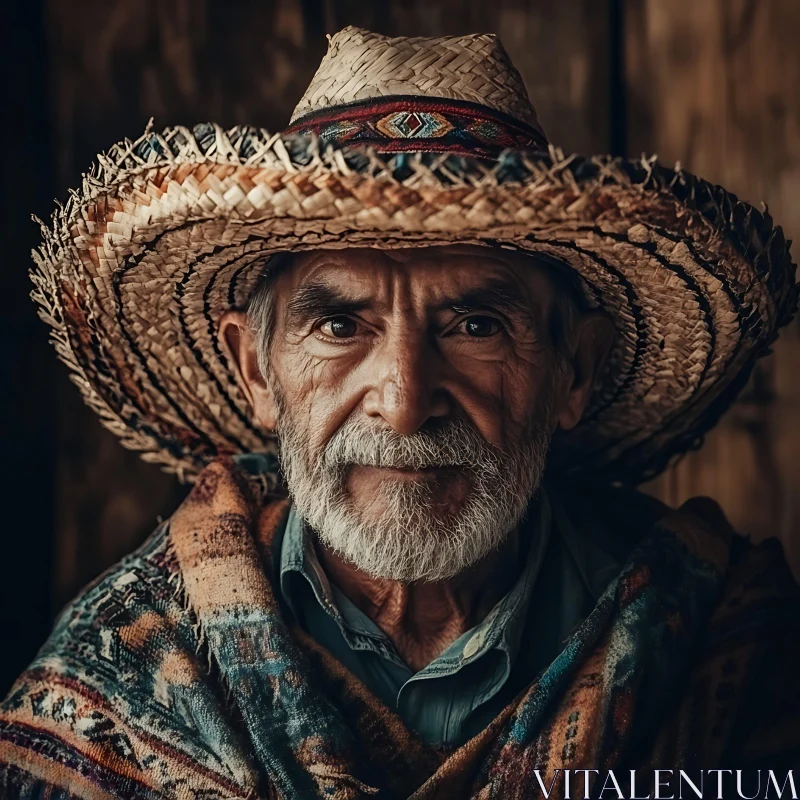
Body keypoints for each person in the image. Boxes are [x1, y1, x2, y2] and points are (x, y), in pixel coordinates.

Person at [1, 26, 799, 800]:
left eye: (475, 326)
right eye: (340, 326)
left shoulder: (715, 643)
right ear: (256, 368)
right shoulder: (119, 676)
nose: (405, 403)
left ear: (574, 370)